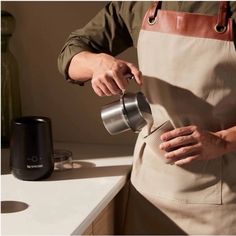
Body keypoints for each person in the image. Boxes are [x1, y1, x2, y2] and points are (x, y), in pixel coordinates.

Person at [58, 1, 236, 234]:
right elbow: (70, 55)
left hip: (223, 199)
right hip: (149, 192)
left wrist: (223, 139)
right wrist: (98, 63)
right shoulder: (137, 4)